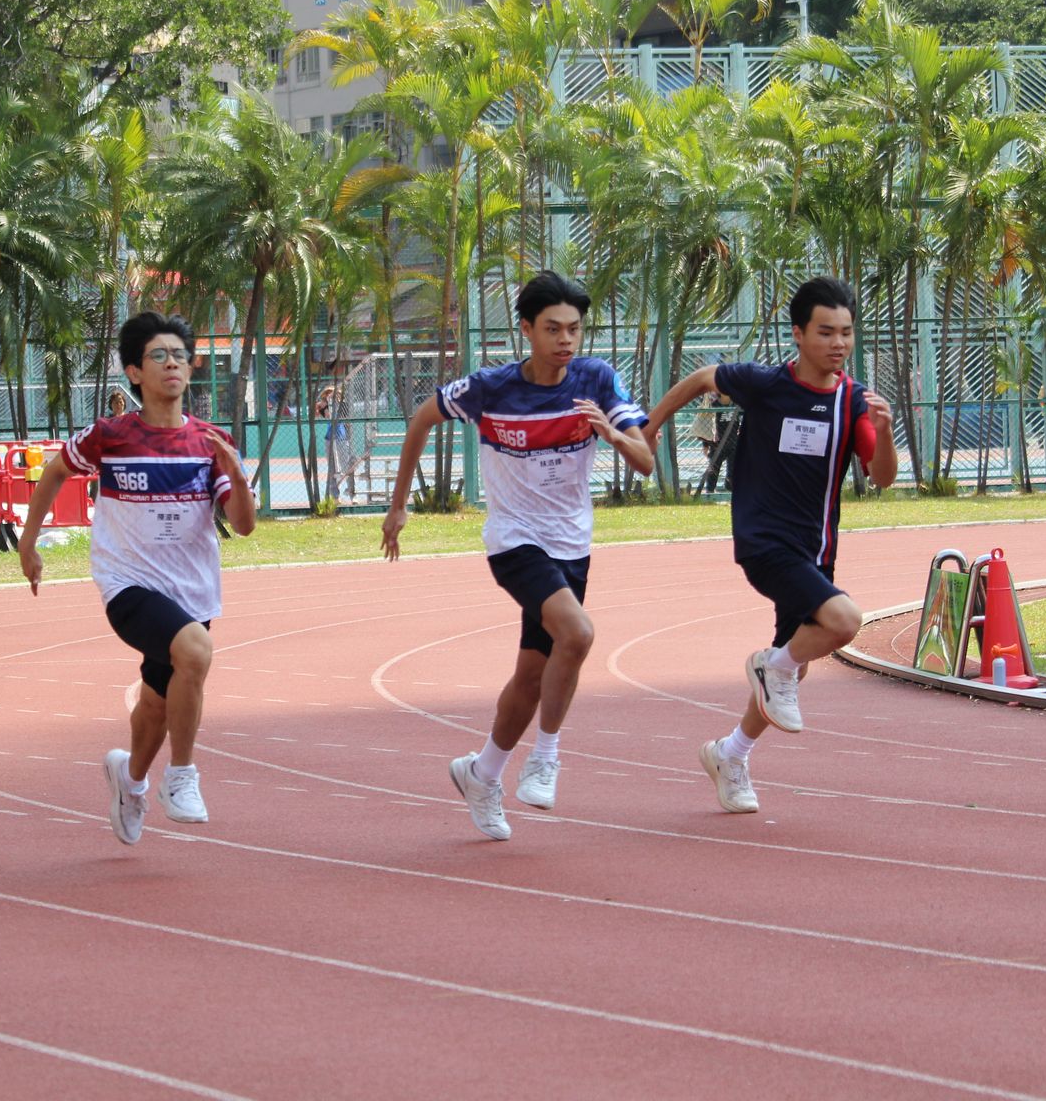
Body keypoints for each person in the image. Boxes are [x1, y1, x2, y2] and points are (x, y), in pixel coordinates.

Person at [381, 272, 652, 840]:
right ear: (526, 329)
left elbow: (645, 461)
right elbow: (422, 419)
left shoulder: (597, 379)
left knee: (531, 676)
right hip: (514, 540)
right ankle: (546, 758)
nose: (565, 339)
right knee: (577, 633)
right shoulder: (490, 388)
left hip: (571, 545)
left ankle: (481, 774)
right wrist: (399, 505)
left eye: (574, 329)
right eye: (552, 329)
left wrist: (612, 433)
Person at [645, 277, 897, 817]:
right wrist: (650, 427)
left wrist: (886, 432)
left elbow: (881, 477)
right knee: (844, 621)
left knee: (793, 666)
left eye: (846, 332)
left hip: (815, 551)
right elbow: (701, 378)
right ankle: (770, 669)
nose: (838, 343)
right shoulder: (764, 383)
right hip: (763, 540)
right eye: (825, 332)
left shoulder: (852, 401)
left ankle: (730, 754)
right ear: (799, 334)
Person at [18, 312, 256, 846]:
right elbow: (55, 472)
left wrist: (238, 477)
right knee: (194, 651)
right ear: (134, 372)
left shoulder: (211, 442)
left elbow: (243, 526)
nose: (172, 363)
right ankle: (182, 777)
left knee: (157, 703)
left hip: (190, 591)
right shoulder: (111, 436)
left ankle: (130, 781)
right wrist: (28, 543)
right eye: (158, 355)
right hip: (127, 583)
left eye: (180, 355)